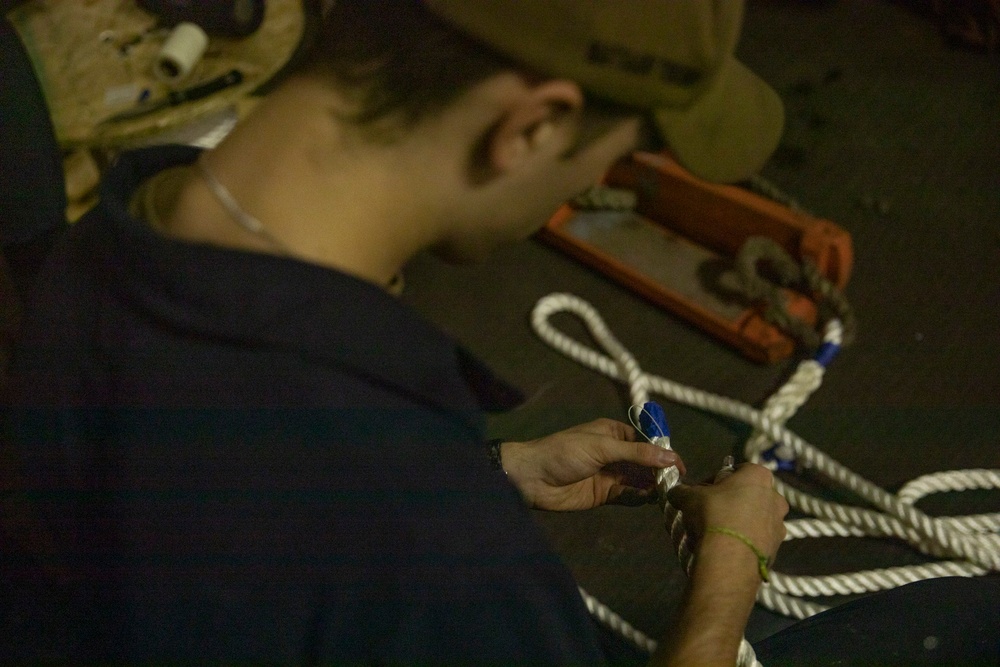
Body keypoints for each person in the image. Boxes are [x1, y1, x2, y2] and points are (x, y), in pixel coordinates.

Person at [0, 0, 794, 663]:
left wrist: (493, 469)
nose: (594, 181)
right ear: (533, 127)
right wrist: (730, 570)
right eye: (628, 146)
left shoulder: (99, 242)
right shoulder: (436, 539)